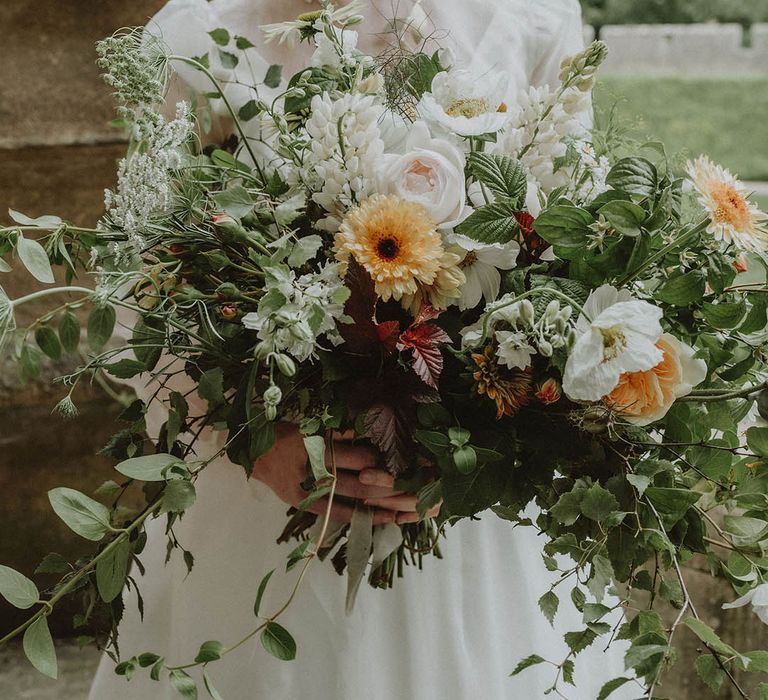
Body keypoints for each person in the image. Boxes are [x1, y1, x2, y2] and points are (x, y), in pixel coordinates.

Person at [89, 1, 634, 698]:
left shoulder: (534, 14)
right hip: (266, 505)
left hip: (465, 510)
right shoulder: (195, 34)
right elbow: (142, 280)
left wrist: (479, 458)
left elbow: (575, 242)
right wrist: (250, 440)